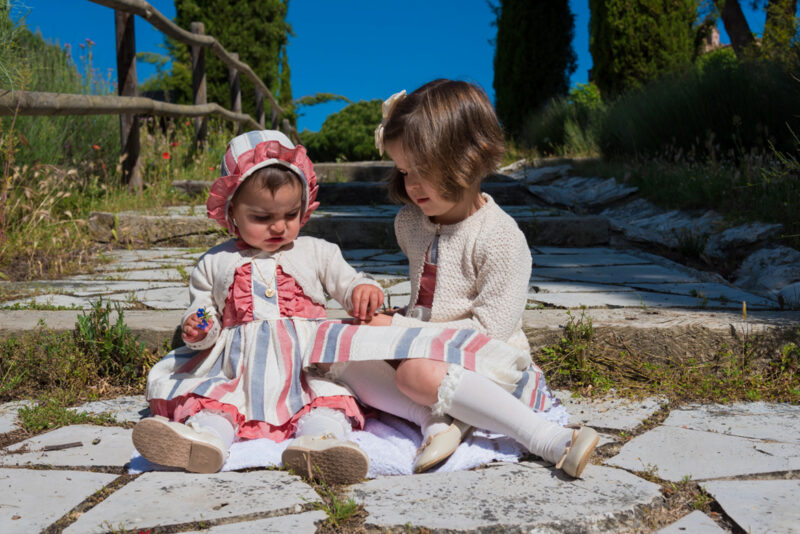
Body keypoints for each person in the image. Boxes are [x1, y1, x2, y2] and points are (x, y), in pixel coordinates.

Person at [328, 79, 598, 478]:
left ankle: (547, 437)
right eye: (404, 171)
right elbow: (427, 304)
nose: (412, 185)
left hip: (488, 361)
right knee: (339, 348)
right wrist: (385, 316)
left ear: (469, 158)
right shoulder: (411, 223)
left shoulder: (501, 239)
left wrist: (398, 329)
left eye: (423, 171)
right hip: (425, 345)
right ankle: (434, 421)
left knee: (415, 373)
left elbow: (488, 332)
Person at [132, 130, 385, 485]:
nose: (279, 226)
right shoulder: (217, 261)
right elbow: (205, 308)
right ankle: (205, 440)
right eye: (262, 217)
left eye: (290, 214)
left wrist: (363, 288)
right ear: (231, 209)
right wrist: (199, 327)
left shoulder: (316, 251)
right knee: (216, 400)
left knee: (324, 400)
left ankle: (322, 444)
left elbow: (349, 281)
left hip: (306, 363)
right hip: (240, 367)